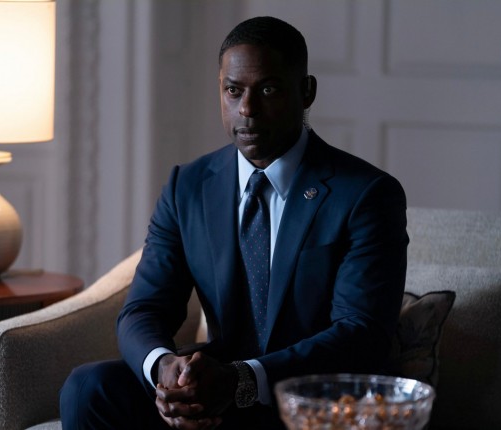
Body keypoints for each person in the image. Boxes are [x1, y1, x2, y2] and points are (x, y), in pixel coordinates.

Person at [60, 16, 408, 430]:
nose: (247, 109)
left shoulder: (366, 194)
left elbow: (361, 333)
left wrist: (243, 380)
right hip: (214, 391)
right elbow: (144, 309)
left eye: (268, 89)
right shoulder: (188, 186)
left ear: (306, 91)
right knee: (88, 387)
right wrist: (165, 370)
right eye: (233, 90)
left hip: (305, 401)